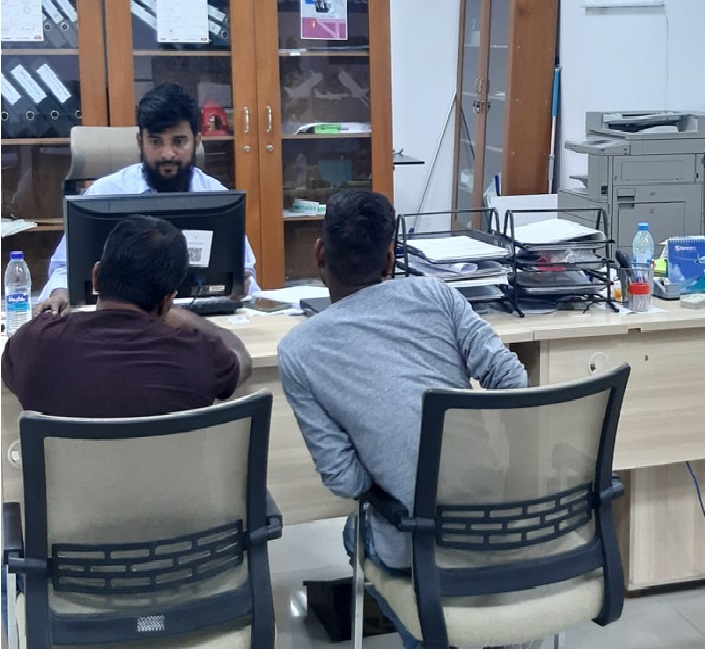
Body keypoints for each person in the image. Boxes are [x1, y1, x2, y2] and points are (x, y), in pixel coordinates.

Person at [278, 190, 527, 647]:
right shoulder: (437, 294)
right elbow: (511, 380)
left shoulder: (298, 351)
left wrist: (388, 452)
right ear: (391, 257)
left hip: (416, 541)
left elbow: (346, 481)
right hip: (502, 519)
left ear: (319, 254)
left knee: (356, 532)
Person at [33, 82, 260, 316]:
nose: (167, 154)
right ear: (140, 141)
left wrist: (241, 287)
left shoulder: (216, 197)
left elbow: (245, 276)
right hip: (119, 321)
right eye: (155, 141)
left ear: (197, 140)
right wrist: (60, 294)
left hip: (201, 319)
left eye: (179, 142)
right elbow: (65, 268)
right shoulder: (104, 194)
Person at [3, 215, 251, 418]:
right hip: (168, 468)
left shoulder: (35, 341)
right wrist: (190, 320)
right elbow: (243, 361)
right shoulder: (199, 352)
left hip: (69, 468)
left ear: (96, 276)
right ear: (168, 300)